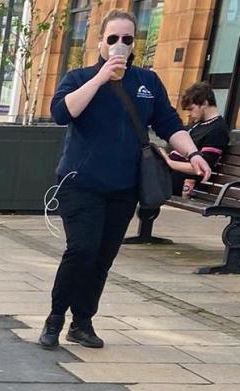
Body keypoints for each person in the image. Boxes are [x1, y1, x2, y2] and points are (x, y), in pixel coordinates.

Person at [39, 10, 211, 350]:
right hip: (80, 183)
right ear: (101, 42)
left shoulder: (147, 82)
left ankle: (82, 322)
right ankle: (55, 318)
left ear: (135, 44)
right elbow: (61, 113)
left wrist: (193, 154)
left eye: (127, 39)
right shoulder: (79, 77)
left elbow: (169, 125)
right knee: (81, 250)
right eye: (113, 38)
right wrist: (101, 78)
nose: (120, 45)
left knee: (102, 257)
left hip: (123, 187)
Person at [159, 81, 229, 196]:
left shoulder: (217, 130)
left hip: (180, 183)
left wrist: (169, 162)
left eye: (191, 109)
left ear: (204, 104)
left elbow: (202, 167)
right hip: (168, 176)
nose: (189, 114)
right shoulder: (198, 124)